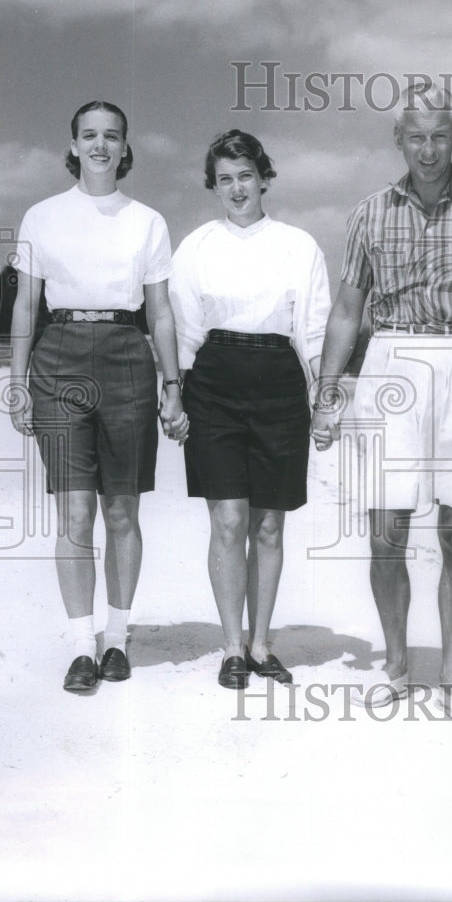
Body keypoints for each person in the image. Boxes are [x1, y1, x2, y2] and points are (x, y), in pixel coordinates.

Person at [311, 83, 452, 725]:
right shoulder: (367, 213)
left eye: (440, 135)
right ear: (398, 139)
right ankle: (396, 666)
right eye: (416, 136)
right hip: (389, 362)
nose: (429, 149)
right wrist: (328, 391)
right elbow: (348, 310)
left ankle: (449, 671)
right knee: (387, 530)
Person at [10, 99, 188, 693]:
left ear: (125, 147)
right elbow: (25, 306)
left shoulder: (149, 221)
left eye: (111, 136)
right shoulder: (41, 216)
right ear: (74, 145)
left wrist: (172, 385)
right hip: (57, 357)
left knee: (121, 509)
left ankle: (118, 639)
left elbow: (160, 311)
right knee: (75, 511)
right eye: (90, 135)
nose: (100, 146)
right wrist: (16, 380)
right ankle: (82, 647)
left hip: (127, 353)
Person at [169, 129, 330, 690]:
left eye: (245, 175)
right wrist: (174, 395)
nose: (236, 188)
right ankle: (231, 647)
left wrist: (325, 398)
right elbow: (185, 332)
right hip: (212, 381)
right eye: (224, 179)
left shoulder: (298, 245)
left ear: (264, 177)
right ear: (213, 186)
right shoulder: (196, 247)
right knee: (228, 519)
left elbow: (313, 330)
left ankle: (262, 645)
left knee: (267, 524)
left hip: (281, 383)